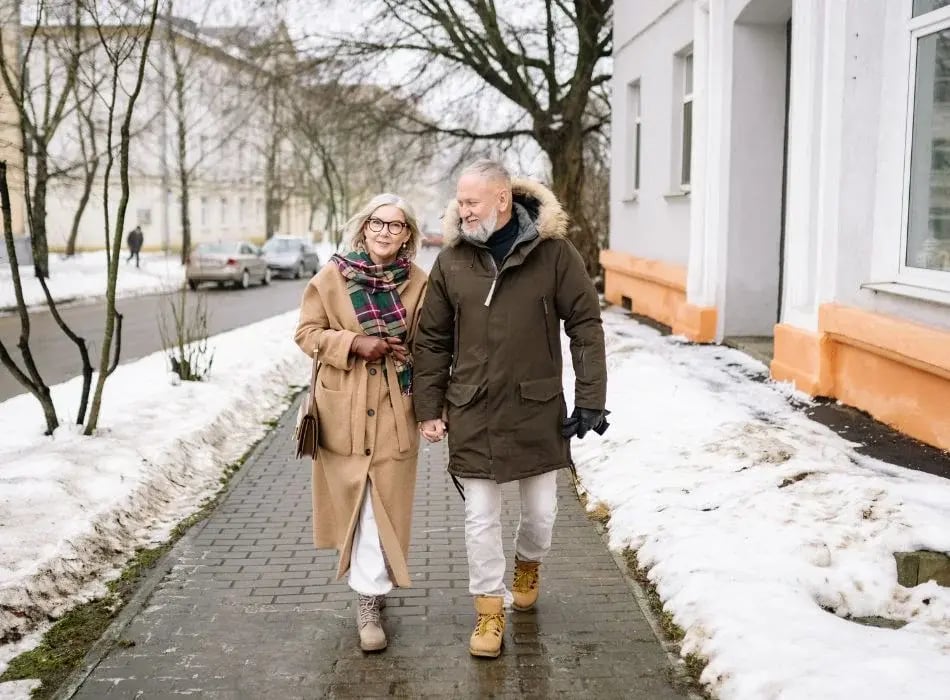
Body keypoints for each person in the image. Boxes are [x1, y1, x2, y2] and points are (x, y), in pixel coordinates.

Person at [413, 159, 608, 659]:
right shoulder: (453, 261)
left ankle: (528, 562)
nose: (463, 210)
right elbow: (432, 340)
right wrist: (428, 406)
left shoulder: (555, 254)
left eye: (471, 201)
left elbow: (584, 324)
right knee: (480, 517)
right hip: (473, 408)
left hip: (535, 407)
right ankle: (488, 610)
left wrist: (590, 398)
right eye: (460, 201)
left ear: (503, 199)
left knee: (541, 514)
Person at [294, 193, 427, 652]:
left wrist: (434, 408)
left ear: (408, 234)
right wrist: (353, 343)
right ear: (364, 227)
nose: (385, 232)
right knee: (360, 501)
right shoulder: (332, 277)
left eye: (396, 225)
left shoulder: (419, 283)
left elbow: (431, 345)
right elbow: (307, 333)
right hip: (343, 406)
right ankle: (369, 597)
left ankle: (371, 592)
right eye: (378, 223)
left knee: (384, 503)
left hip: (395, 406)